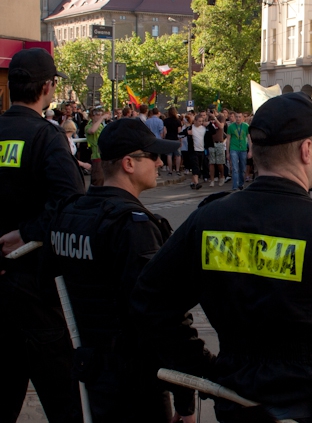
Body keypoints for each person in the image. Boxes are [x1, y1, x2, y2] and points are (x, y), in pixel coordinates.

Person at [130, 92, 312, 422]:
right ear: (306, 150)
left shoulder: (209, 220)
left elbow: (150, 302)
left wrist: (206, 369)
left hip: (236, 403)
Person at [42, 118, 197, 422]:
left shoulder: (69, 214)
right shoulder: (132, 225)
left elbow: (47, 285)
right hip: (134, 382)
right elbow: (159, 315)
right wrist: (185, 397)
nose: (159, 162)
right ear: (128, 163)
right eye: (152, 156)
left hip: (90, 372)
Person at [0, 48, 85, 423]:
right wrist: (27, 232)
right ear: (48, 87)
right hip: (33, 287)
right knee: (65, 401)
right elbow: (70, 205)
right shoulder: (45, 137)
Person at [86, 106, 110, 186]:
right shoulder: (88, 126)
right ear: (92, 116)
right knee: (97, 179)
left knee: (103, 180)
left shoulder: (101, 126)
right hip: (96, 155)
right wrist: (102, 118)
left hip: (103, 155)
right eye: (98, 115)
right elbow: (92, 130)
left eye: (101, 115)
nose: (100, 116)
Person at [227, 112, 250, 191]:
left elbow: (249, 139)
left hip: (243, 149)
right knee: (235, 168)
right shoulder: (231, 127)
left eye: (240, 117)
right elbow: (228, 139)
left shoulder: (246, 126)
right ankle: (235, 186)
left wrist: (250, 150)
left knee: (243, 168)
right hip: (234, 149)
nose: (238, 118)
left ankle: (241, 184)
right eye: (236, 117)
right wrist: (227, 152)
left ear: (242, 118)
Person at [163, 106, 182, 175]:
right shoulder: (178, 121)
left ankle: (170, 170)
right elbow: (179, 132)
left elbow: (165, 131)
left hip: (168, 139)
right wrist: (180, 141)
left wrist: (164, 138)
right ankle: (177, 170)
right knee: (178, 155)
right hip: (176, 139)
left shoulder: (165, 121)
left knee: (169, 155)